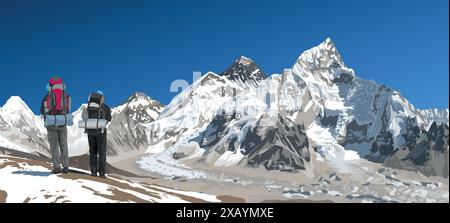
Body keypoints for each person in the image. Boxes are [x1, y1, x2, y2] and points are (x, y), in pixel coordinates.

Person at [40, 76, 72, 174]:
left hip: (51, 124)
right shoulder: (66, 96)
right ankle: (66, 166)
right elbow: (68, 109)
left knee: (54, 146)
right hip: (62, 122)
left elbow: (42, 111)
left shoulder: (47, 97)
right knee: (63, 145)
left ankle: (57, 167)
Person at [81, 91, 112, 178]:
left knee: (93, 152)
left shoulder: (88, 107)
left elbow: (83, 117)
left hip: (90, 131)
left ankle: (93, 172)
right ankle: (102, 174)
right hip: (101, 131)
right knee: (102, 153)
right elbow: (109, 119)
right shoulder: (105, 107)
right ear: (101, 98)